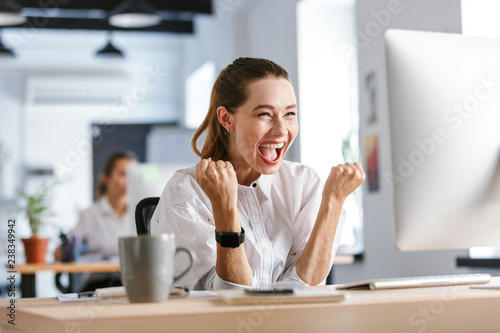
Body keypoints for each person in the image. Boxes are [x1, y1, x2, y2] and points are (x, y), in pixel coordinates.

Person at [151, 57, 365, 290]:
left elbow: (305, 289)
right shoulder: (187, 192)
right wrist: (225, 209)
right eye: (264, 114)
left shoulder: (303, 183)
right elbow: (229, 298)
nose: (281, 130)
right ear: (226, 119)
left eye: (290, 114)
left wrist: (333, 202)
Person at [56, 151, 137, 291]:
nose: (129, 180)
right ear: (106, 178)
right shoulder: (89, 215)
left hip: (136, 281)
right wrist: (63, 250)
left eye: (132, 175)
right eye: (123, 174)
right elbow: (63, 250)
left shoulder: (142, 212)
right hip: (99, 283)